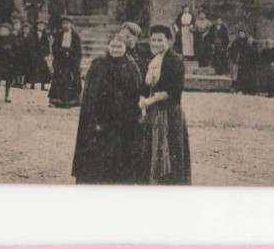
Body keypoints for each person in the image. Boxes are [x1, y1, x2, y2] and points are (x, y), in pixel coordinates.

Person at [71, 34, 141, 184]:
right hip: (101, 117)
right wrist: (94, 119)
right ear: (108, 47)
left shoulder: (130, 66)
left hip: (123, 117)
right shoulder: (99, 65)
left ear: (125, 48)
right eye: (113, 46)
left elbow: (135, 92)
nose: (116, 50)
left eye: (119, 47)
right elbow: (90, 96)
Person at [137, 24, 191, 185]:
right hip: (153, 112)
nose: (156, 43)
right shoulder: (153, 60)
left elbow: (172, 90)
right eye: (153, 40)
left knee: (169, 150)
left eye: (160, 40)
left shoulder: (175, 60)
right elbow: (145, 86)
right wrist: (142, 98)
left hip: (169, 112)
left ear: (169, 41)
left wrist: (149, 101)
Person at [48, 15, 82, 108]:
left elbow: (78, 50)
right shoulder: (59, 35)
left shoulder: (75, 36)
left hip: (71, 61)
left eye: (67, 23)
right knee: (59, 79)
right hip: (61, 60)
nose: (65, 26)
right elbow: (54, 47)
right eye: (63, 24)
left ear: (71, 24)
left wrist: (71, 54)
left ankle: (70, 101)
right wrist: (60, 53)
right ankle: (57, 100)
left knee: (71, 79)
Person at [16, 21, 38, 87]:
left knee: (28, 70)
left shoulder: (31, 37)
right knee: (21, 70)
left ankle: (26, 83)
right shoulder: (20, 36)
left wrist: (32, 56)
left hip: (29, 56)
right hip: (22, 55)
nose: (25, 30)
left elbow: (32, 47)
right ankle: (20, 82)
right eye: (24, 29)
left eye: (27, 29)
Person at [32, 20, 53, 90]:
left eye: (42, 26)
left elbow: (47, 45)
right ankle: (32, 83)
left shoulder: (45, 36)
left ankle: (43, 85)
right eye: (39, 25)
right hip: (35, 54)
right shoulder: (33, 35)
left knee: (43, 70)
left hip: (42, 55)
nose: (41, 27)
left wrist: (46, 54)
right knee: (34, 69)